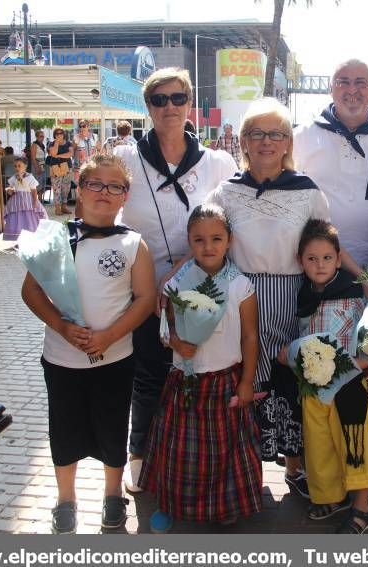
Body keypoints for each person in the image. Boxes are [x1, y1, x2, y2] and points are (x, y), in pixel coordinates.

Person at [114, 67, 237, 494]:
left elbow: (228, 222)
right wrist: (148, 279)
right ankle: (140, 451)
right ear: (147, 107)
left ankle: (196, 453)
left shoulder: (216, 163)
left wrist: (180, 272)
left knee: (198, 370)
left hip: (200, 282)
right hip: (141, 286)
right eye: (159, 99)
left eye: (177, 98)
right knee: (149, 371)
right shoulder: (124, 159)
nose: (169, 107)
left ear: (190, 104)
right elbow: (107, 217)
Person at [20, 153, 156, 534]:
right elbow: (30, 292)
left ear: (125, 196)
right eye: (95, 184)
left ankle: (113, 494)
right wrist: (62, 328)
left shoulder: (133, 244)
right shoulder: (58, 238)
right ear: (80, 190)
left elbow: (145, 299)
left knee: (113, 427)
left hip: (115, 360)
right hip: (62, 360)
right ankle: (66, 498)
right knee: (63, 430)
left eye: (115, 187)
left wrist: (109, 336)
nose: (104, 192)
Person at [206, 97, 332, 498]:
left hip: (293, 296)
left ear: (287, 142)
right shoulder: (225, 192)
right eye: (256, 133)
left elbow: (326, 246)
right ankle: (247, 470)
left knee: (292, 379)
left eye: (275, 134)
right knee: (245, 379)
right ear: (243, 141)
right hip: (240, 297)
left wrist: (364, 279)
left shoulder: (308, 191)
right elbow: (204, 242)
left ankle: (295, 467)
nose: (266, 142)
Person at [140, 204, 262, 533]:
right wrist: (175, 342)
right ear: (190, 242)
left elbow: (251, 336)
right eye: (199, 240)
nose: (208, 247)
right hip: (185, 380)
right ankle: (169, 504)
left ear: (229, 241)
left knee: (224, 454)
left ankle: (223, 506)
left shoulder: (240, 285)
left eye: (216, 239)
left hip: (225, 382)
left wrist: (247, 381)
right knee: (178, 453)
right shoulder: (177, 282)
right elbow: (164, 328)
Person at [280, 219, 368, 533]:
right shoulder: (300, 296)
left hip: (349, 383)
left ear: (338, 257)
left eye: (327, 258)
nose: (320, 265)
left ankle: (362, 506)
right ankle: (332, 495)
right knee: (319, 445)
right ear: (300, 261)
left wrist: (359, 364)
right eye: (311, 258)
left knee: (354, 442)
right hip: (313, 388)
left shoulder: (354, 291)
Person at [293, 58, 368, 270]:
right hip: (317, 272)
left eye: (361, 82)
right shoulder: (302, 137)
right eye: (343, 82)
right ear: (331, 88)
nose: (352, 90)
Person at [3, 156, 47, 240]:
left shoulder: (29, 177)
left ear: (25, 166)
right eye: (15, 166)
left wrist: (34, 202)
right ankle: (18, 238)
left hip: (28, 201)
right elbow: (11, 188)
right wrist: (10, 190)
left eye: (19, 166)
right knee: (17, 219)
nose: (17, 168)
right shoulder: (14, 178)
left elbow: (34, 191)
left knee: (29, 219)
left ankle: (31, 236)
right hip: (16, 202)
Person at [47, 128, 74, 216]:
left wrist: (58, 155)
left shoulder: (68, 143)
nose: (59, 135)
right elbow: (53, 153)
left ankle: (64, 206)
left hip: (67, 168)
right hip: (55, 168)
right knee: (56, 188)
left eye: (61, 133)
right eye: (57, 133)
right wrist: (57, 143)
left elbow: (70, 154)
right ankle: (57, 208)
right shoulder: (52, 143)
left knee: (66, 188)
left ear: (64, 134)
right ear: (54, 135)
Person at [29, 130, 47, 198]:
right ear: (37, 137)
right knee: (36, 184)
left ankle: (40, 201)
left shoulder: (42, 145)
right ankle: (35, 200)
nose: (42, 138)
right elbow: (33, 158)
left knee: (42, 184)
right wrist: (36, 167)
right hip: (36, 165)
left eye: (43, 136)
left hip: (42, 165)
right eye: (40, 136)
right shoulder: (34, 145)